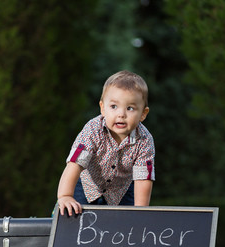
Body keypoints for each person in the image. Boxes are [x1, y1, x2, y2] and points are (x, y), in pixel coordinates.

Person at [57, 70, 155, 216]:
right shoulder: (93, 130)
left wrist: (140, 212)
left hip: (121, 190)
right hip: (87, 185)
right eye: (114, 106)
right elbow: (74, 163)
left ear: (143, 114)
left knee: (125, 225)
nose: (121, 114)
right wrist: (65, 196)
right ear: (103, 108)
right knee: (71, 215)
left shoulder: (144, 140)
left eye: (130, 108)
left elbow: (143, 178)